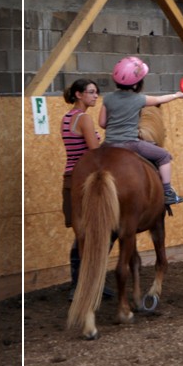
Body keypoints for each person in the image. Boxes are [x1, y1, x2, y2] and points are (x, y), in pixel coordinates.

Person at [99, 56, 183, 205]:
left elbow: (102, 123)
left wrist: (115, 125)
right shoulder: (139, 99)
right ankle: (167, 192)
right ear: (137, 83)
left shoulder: (108, 98)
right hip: (130, 144)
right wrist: (176, 95)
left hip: (107, 145)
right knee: (164, 156)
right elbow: (159, 100)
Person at [61, 79, 113, 301]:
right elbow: (94, 151)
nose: (95, 96)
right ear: (78, 94)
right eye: (91, 92)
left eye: (96, 92)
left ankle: (79, 284)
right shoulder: (84, 119)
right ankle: (87, 284)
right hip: (85, 181)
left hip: (69, 179)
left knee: (81, 233)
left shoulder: (67, 117)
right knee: (92, 233)